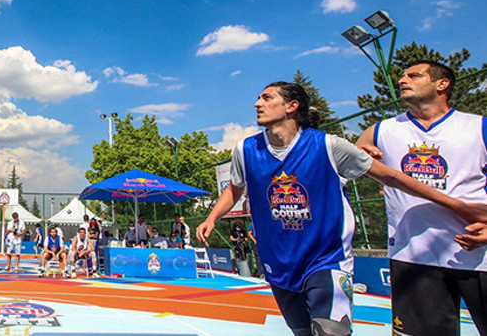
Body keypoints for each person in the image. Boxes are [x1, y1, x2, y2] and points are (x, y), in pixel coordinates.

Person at [195, 81, 487, 336]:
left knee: (331, 330)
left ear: (292, 106)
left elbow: (391, 176)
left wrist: (457, 205)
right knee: (302, 332)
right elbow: (235, 188)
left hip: (326, 259)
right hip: (278, 261)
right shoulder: (245, 150)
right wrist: (212, 217)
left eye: (267, 97)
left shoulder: (328, 146)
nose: (257, 103)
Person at [356, 60, 487, 335]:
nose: (402, 80)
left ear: (442, 84)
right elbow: (356, 157)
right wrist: (363, 152)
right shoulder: (382, 130)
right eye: (402, 76)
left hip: (478, 254)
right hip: (413, 257)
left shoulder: (478, 127)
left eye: (414, 75)